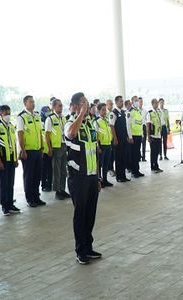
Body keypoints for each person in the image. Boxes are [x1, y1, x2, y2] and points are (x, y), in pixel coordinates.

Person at [65, 92, 102, 265]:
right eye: (82, 103)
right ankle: (80, 250)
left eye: (86, 103)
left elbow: (93, 152)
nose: (86, 106)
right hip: (77, 177)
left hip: (91, 176)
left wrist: (98, 177)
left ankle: (88, 246)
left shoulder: (89, 125)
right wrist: (80, 114)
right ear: (74, 106)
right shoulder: (69, 122)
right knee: (80, 214)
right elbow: (71, 134)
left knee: (90, 213)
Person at [0, 105, 21, 216]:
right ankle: (5, 206)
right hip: (2, 160)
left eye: (8, 111)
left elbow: (13, 143)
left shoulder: (11, 126)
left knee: (10, 183)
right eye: (5, 112)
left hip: (11, 159)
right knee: (3, 183)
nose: (7, 114)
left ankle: (10, 203)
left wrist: (15, 158)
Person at [17, 95, 46, 207]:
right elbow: (20, 134)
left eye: (33, 101)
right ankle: (30, 198)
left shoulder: (37, 115)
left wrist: (42, 147)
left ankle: (36, 196)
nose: (33, 104)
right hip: (28, 151)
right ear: (25, 103)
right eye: (30, 102)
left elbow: (39, 132)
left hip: (38, 150)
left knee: (37, 175)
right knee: (29, 176)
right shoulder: (21, 117)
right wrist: (23, 150)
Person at [45, 98, 70, 200]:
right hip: (56, 147)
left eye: (61, 105)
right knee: (57, 170)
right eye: (59, 105)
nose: (61, 107)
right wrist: (49, 148)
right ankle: (57, 191)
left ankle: (62, 189)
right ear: (54, 107)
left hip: (64, 145)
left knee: (63, 170)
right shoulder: (50, 119)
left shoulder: (63, 118)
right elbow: (47, 134)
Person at [109, 96, 129, 182]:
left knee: (123, 157)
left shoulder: (123, 112)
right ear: (116, 102)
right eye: (121, 101)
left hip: (124, 138)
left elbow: (125, 126)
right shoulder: (113, 113)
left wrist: (127, 136)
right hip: (118, 139)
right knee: (118, 158)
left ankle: (123, 175)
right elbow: (111, 126)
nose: (122, 103)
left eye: (122, 101)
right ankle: (119, 177)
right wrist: (115, 138)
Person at [95, 103, 113, 187]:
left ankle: (105, 180)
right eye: (103, 110)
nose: (105, 111)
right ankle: (99, 180)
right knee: (100, 165)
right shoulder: (96, 121)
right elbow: (95, 135)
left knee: (106, 164)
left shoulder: (106, 120)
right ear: (98, 111)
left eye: (105, 109)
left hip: (108, 144)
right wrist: (98, 146)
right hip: (101, 145)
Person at [126, 96, 144, 178]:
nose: (137, 102)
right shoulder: (130, 112)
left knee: (137, 154)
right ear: (132, 102)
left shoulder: (138, 111)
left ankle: (137, 170)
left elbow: (140, 123)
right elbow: (128, 125)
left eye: (137, 100)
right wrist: (130, 136)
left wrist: (142, 134)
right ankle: (133, 171)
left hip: (139, 135)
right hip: (133, 136)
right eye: (135, 100)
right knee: (133, 154)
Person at [146, 98, 163, 173]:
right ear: (152, 104)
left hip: (158, 135)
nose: (157, 104)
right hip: (153, 136)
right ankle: (153, 166)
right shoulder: (150, 113)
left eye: (157, 103)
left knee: (157, 152)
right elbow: (148, 125)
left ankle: (156, 165)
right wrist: (148, 136)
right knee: (153, 152)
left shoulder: (158, 112)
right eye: (155, 103)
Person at [40, 105, 53, 192]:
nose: (48, 112)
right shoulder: (40, 122)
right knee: (44, 169)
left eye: (49, 111)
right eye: (46, 111)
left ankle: (50, 184)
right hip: (43, 149)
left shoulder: (50, 120)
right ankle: (44, 184)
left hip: (50, 148)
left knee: (50, 168)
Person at [138, 97, 147, 162]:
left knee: (144, 143)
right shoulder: (136, 111)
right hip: (138, 127)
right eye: (140, 101)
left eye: (142, 101)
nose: (141, 103)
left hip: (143, 126)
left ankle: (143, 157)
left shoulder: (145, 111)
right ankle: (139, 156)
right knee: (138, 143)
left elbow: (146, 120)